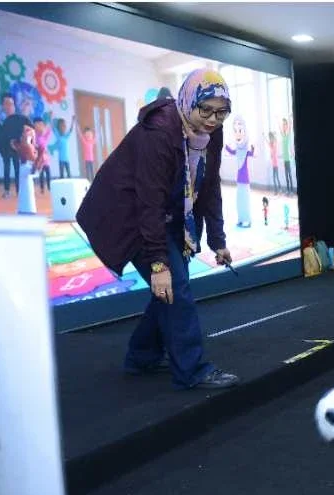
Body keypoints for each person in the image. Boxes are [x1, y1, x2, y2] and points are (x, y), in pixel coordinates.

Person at [76, 68, 239, 389]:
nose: (212, 119)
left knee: (169, 290)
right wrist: (158, 263)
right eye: (205, 109)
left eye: (222, 112)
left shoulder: (211, 133)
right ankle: (192, 371)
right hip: (128, 214)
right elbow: (147, 201)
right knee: (174, 285)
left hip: (168, 213)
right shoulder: (160, 133)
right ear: (188, 100)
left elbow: (209, 187)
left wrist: (218, 239)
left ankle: (141, 356)